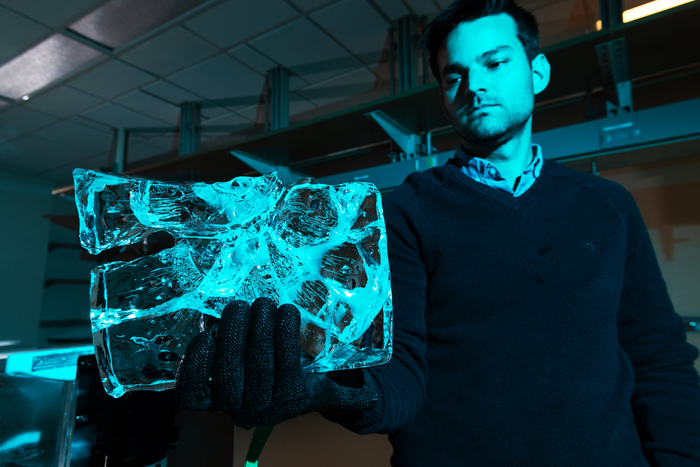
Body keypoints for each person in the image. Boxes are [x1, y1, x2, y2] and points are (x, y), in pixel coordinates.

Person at [175, 0, 700, 465]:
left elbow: (660, 360)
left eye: (495, 63)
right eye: (454, 76)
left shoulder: (608, 206)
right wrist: (330, 391)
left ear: (536, 71)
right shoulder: (405, 211)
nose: (475, 85)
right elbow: (402, 372)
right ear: (445, 98)